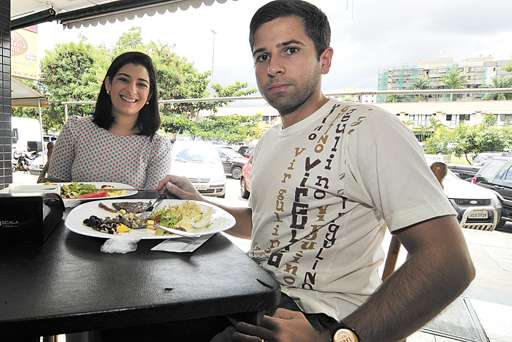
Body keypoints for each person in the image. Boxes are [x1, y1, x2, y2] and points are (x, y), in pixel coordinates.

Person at [159, 1, 475, 341]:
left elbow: (449, 264)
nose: (273, 67)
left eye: (290, 50)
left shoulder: (368, 128)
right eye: (262, 56)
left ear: (324, 60)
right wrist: (200, 201)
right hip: (255, 295)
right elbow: (265, 220)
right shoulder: (268, 140)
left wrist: (336, 338)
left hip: (322, 316)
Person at [47, 51, 171, 190]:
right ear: (108, 84)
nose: (131, 90)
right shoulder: (75, 129)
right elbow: (54, 189)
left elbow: (152, 202)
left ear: (149, 95)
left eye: (141, 84)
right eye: (124, 79)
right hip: (73, 212)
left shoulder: (158, 146)